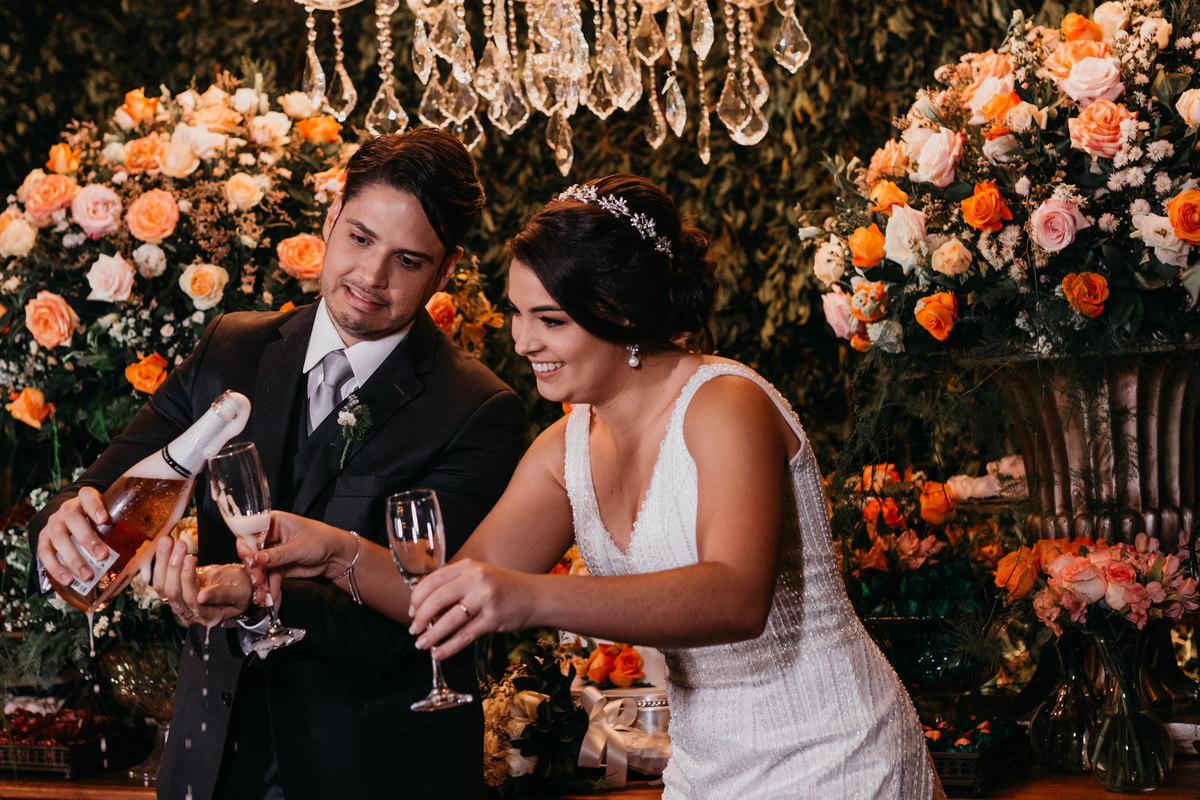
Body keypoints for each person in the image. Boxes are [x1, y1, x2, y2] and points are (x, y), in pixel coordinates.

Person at [253, 173, 944, 798]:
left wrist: (530, 598)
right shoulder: (565, 449)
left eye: (550, 320)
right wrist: (333, 550)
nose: (523, 342)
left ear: (620, 313)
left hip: (842, 758)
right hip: (707, 771)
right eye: (518, 314)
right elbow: (454, 592)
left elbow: (737, 598)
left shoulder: (724, 404)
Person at [29, 128, 526, 800]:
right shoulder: (231, 346)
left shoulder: (478, 409)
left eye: (408, 260)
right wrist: (67, 517)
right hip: (211, 768)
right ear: (329, 220)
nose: (370, 279)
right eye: (358, 239)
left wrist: (257, 597)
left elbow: (430, 619)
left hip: (374, 773)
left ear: (446, 269)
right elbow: (112, 479)